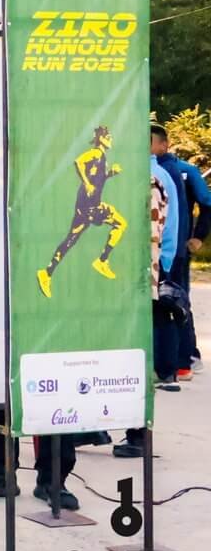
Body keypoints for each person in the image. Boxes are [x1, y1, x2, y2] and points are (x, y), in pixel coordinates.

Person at [118, 150, 183, 459]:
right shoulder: (142, 177)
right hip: (136, 280)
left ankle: (138, 434)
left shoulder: (146, 181)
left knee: (135, 359)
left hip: (137, 283)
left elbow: (151, 237)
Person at [37, 125, 125, 299]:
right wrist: (86, 183)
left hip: (85, 205)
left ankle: (46, 272)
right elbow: (78, 161)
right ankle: (102, 261)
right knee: (121, 224)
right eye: (109, 137)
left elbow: (97, 179)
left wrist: (109, 174)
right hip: (91, 206)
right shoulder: (96, 153)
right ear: (101, 138)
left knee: (71, 239)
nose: (111, 139)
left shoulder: (101, 157)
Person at [152, 126, 209, 382]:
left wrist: (198, 236)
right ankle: (178, 359)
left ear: (164, 144)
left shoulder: (182, 171)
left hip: (174, 249)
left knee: (175, 301)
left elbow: (207, 203)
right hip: (166, 248)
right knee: (169, 301)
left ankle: (185, 359)